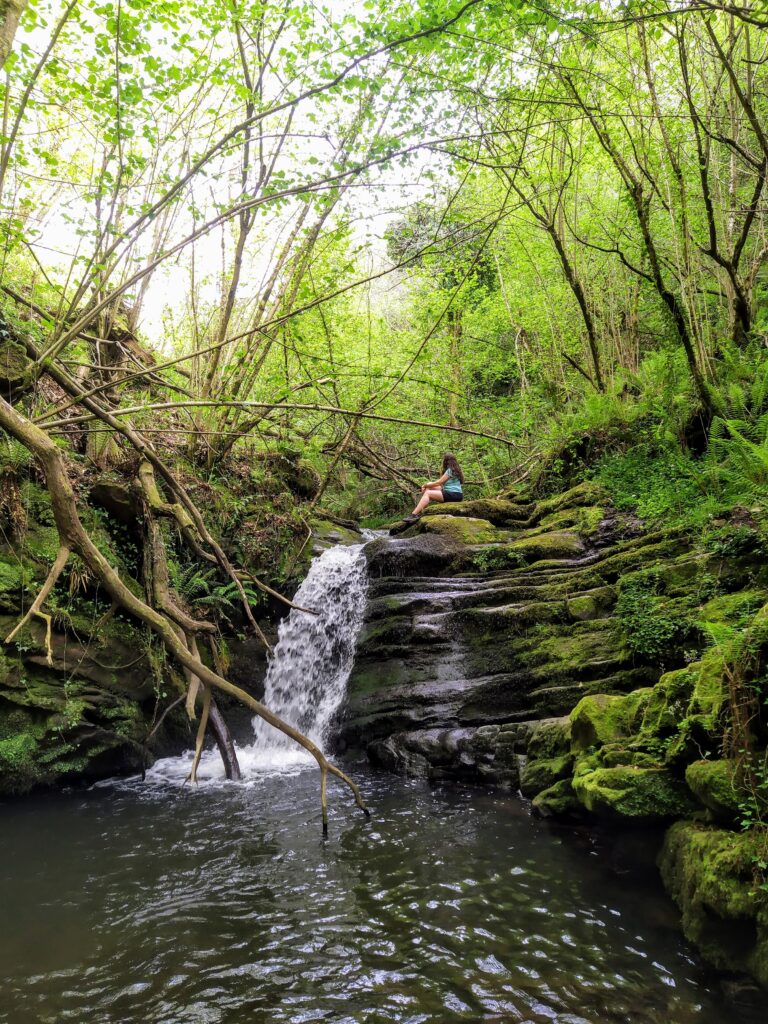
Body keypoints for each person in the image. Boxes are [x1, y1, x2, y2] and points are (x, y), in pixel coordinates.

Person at [402, 453, 463, 524]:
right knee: (428, 489)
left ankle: (414, 514)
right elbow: (442, 485)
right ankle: (420, 511)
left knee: (428, 493)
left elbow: (439, 483)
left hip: (453, 495)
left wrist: (425, 485)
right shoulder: (456, 470)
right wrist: (428, 486)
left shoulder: (450, 470)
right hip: (455, 494)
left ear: (446, 461)